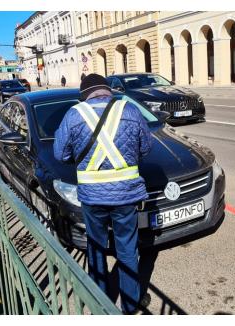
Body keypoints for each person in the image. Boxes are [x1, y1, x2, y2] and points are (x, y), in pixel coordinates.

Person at [53, 73, 152, 314]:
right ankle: (130, 306)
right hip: (126, 196)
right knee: (127, 249)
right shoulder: (129, 110)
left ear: (84, 95)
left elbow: (60, 154)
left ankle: (99, 301)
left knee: (96, 246)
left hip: (92, 198)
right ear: (108, 91)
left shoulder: (74, 115)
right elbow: (146, 148)